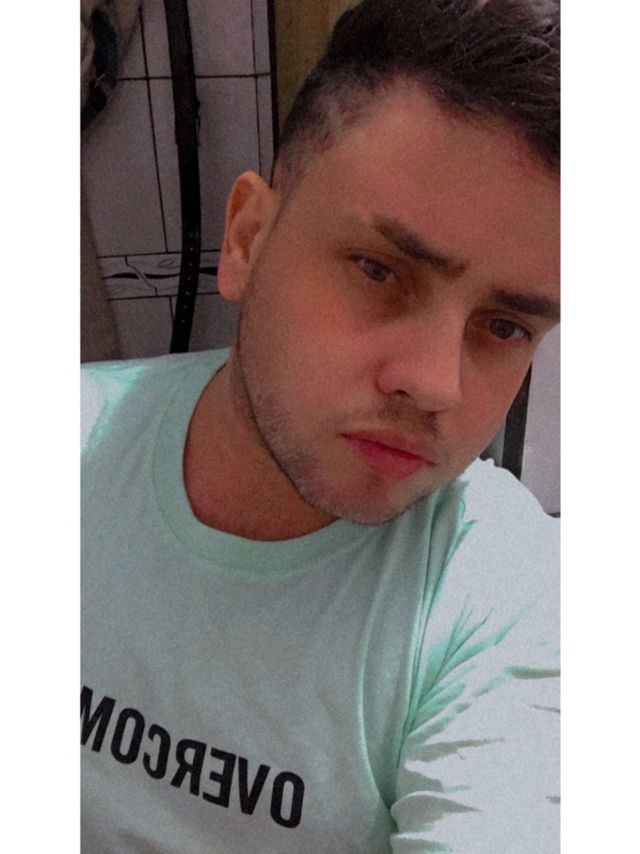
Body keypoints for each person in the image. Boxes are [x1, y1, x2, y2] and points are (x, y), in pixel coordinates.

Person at [81, 0, 560, 850]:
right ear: (247, 240)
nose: (435, 385)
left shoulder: (508, 602)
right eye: (379, 270)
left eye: (504, 326)